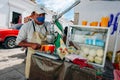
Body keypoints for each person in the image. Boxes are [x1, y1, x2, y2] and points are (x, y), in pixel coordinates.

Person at [16, 4, 51, 80]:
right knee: (31, 75)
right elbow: (18, 42)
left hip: (46, 56)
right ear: (33, 15)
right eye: (39, 14)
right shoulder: (27, 26)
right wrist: (30, 44)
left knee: (44, 75)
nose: (41, 16)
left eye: (43, 15)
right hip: (33, 56)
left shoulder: (48, 25)